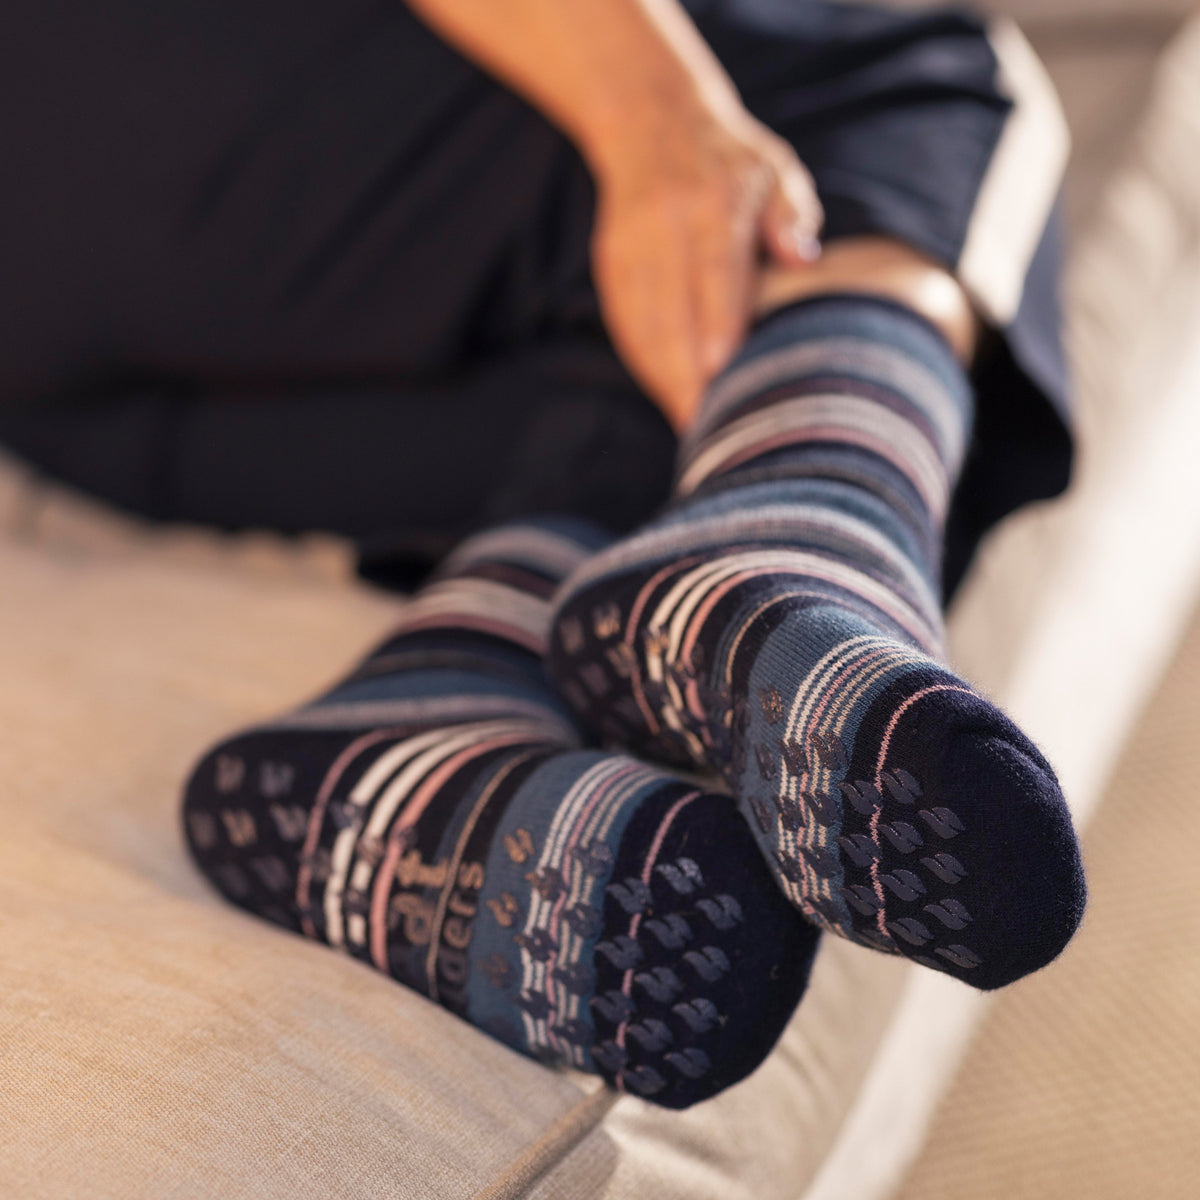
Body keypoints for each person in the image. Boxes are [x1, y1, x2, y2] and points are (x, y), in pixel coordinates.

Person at [3, 0, 1086, 1107]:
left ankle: (435, 709)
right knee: (908, 71)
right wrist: (661, 113)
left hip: (105, 382)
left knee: (668, 318)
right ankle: (790, 528)